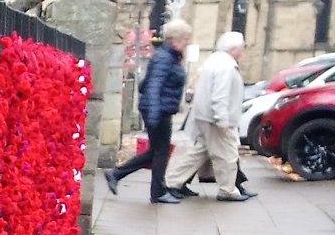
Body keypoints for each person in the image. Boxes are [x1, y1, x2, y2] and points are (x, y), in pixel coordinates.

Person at [106, 18, 190, 201]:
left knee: (156, 151)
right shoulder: (165, 58)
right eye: (185, 40)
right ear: (176, 39)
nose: (187, 43)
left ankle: (117, 174)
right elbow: (153, 86)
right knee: (161, 151)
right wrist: (153, 114)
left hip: (160, 109)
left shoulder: (167, 57)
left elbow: (145, 84)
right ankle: (158, 193)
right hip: (159, 111)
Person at [166, 30, 252, 201]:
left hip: (204, 116)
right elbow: (220, 96)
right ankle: (227, 190)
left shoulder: (214, 60)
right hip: (214, 118)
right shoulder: (226, 66)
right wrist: (222, 120)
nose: (243, 51)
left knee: (197, 152)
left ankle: (172, 182)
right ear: (233, 48)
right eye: (242, 47)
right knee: (227, 154)